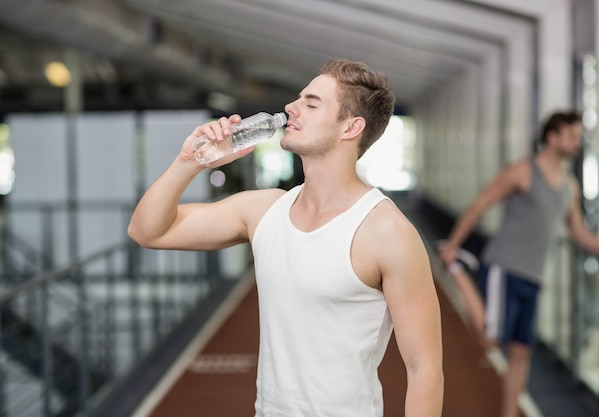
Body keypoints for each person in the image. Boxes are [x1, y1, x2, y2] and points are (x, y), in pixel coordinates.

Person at [128, 59, 443, 417]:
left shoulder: (386, 231)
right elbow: (147, 230)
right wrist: (189, 162)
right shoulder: (264, 210)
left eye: (311, 103)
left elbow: (425, 369)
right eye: (298, 99)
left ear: (351, 127)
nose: (291, 108)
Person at [438, 111, 599, 417]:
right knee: (489, 342)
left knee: (521, 352)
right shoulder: (523, 171)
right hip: (504, 266)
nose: (578, 142)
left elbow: (579, 232)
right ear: (553, 138)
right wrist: (454, 245)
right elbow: (481, 202)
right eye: (572, 136)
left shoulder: (570, 186)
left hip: (533, 277)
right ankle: (457, 270)